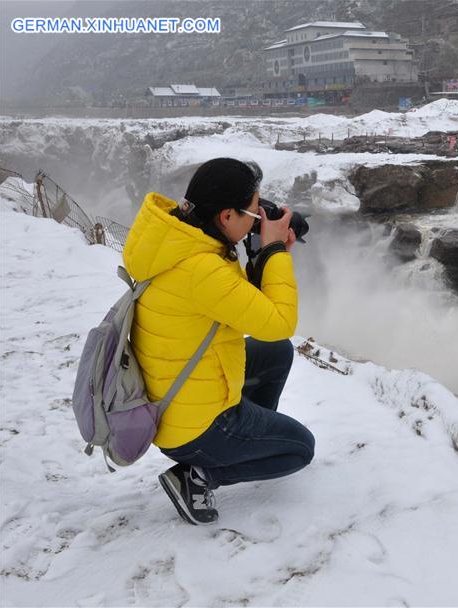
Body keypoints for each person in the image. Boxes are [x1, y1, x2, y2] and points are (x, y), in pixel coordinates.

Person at [122, 157, 314, 525]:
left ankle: (245, 440)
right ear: (226, 216)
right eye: (254, 212)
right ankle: (200, 474)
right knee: (300, 449)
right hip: (192, 427)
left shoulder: (178, 242)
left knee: (274, 353)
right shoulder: (202, 270)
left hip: (173, 398)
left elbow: (243, 306)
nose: (258, 219)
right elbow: (278, 322)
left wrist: (265, 252)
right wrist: (273, 251)